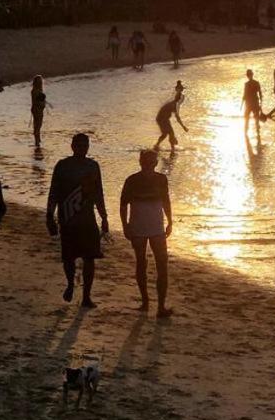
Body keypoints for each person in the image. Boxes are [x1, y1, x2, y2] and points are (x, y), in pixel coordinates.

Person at [46, 133, 108, 308]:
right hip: (68, 219)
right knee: (68, 258)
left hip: (88, 219)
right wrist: (49, 216)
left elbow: (98, 194)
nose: (82, 148)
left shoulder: (93, 166)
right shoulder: (62, 166)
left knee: (90, 258)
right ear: (72, 146)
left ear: (88, 147)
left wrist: (104, 217)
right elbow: (54, 192)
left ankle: (87, 296)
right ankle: (71, 284)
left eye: (85, 145)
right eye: (79, 145)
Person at [120, 149, 173, 319]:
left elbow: (166, 201)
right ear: (141, 162)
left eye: (151, 161)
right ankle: (146, 302)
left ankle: (159, 306)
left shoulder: (161, 179)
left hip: (156, 227)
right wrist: (125, 225)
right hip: (139, 227)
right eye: (147, 161)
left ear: (155, 163)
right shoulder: (132, 180)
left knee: (161, 264)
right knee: (142, 262)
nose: (149, 164)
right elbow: (123, 204)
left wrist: (170, 220)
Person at [154, 83, 188, 150]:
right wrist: (183, 127)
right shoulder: (174, 105)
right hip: (162, 119)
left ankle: (157, 145)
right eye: (181, 99)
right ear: (179, 99)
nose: (182, 101)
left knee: (165, 134)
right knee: (170, 133)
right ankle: (172, 148)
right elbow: (177, 118)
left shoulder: (173, 103)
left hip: (163, 119)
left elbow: (177, 117)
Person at [30, 75, 47, 150]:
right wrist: (42, 103)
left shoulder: (36, 90)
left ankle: (38, 140)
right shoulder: (35, 91)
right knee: (37, 126)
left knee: (38, 126)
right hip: (37, 110)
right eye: (39, 81)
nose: (40, 83)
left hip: (38, 110)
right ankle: (37, 141)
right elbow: (36, 102)